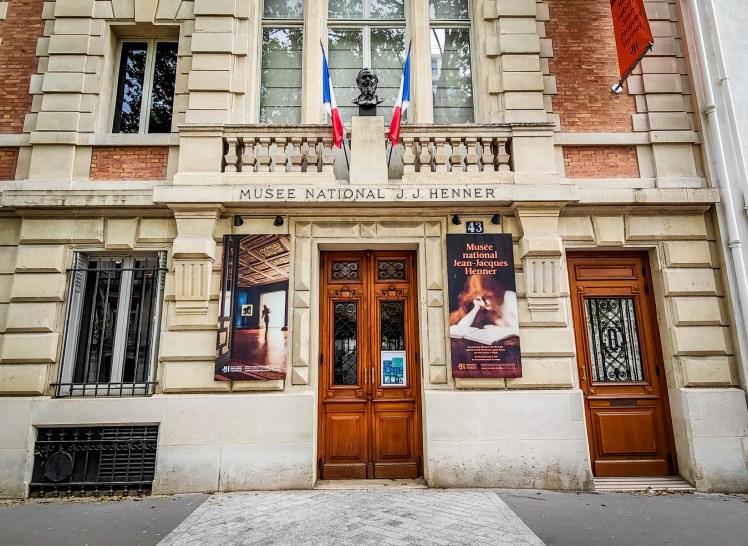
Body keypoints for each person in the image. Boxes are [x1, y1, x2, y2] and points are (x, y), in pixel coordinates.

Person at [449, 275, 517, 329]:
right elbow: (461, 327)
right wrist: (476, 308)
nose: (483, 303)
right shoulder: (484, 310)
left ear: (494, 291)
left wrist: (498, 329)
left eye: (485, 297)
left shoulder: (509, 296)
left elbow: (520, 328)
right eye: (478, 299)